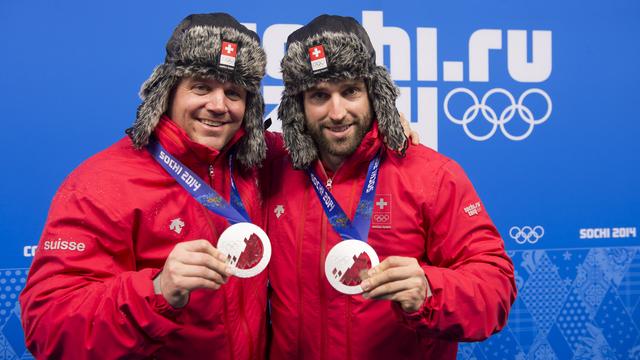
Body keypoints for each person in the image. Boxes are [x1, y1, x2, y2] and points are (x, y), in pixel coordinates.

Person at [20, 13, 276, 359]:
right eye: (202, 86)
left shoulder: (255, 168)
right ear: (168, 91)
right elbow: (47, 326)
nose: (218, 106)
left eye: (234, 92)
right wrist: (158, 289)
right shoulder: (102, 183)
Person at [264, 15, 517, 359]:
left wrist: (430, 290)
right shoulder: (273, 169)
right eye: (319, 95)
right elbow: (208, 130)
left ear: (374, 93)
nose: (337, 112)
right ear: (298, 106)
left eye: (350, 91)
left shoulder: (432, 175)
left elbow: (495, 287)